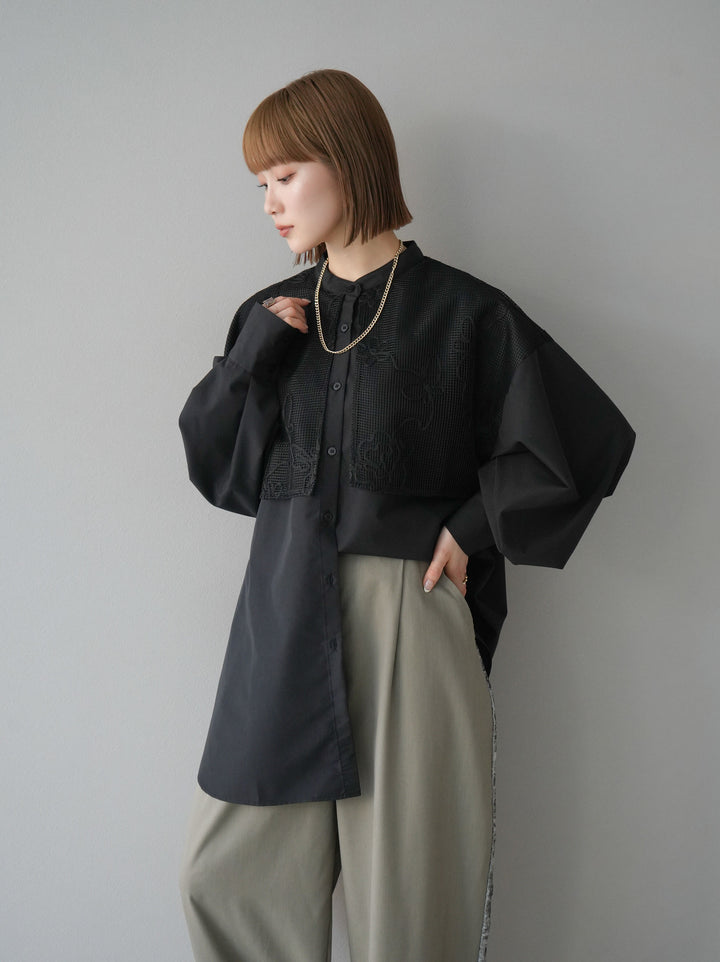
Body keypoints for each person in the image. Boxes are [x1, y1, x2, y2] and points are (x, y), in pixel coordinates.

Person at [178, 69, 635, 962]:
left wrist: (470, 527)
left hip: (408, 613)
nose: (270, 203)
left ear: (347, 160)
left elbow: (584, 441)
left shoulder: (463, 313)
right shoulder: (272, 317)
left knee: (411, 895)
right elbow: (217, 468)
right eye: (261, 184)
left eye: (286, 175)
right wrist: (255, 353)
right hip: (281, 607)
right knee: (226, 878)